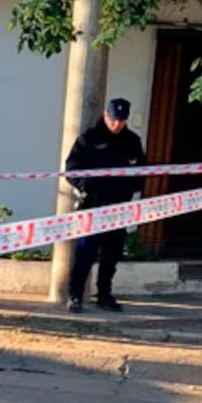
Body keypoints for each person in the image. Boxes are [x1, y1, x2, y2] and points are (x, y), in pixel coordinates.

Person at [64, 97, 146, 313]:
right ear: (105, 115)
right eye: (113, 119)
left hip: (119, 208)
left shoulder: (132, 142)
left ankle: (104, 295)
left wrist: (128, 188)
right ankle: (75, 295)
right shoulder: (89, 139)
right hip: (93, 206)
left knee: (112, 254)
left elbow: (141, 174)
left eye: (121, 120)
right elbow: (72, 169)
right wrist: (86, 186)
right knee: (85, 253)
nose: (116, 124)